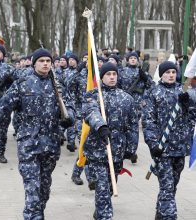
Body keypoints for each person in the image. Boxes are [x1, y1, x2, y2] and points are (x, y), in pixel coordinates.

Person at [0, 48, 75, 220]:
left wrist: (69, 118)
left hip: (51, 145)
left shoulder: (58, 85)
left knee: (43, 191)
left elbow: (69, 106)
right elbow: (2, 108)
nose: (45, 64)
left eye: (48, 61)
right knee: (32, 192)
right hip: (29, 146)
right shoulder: (22, 83)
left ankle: (37, 213)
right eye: (41, 61)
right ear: (34, 63)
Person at [82, 62, 139, 219]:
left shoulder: (127, 98)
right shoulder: (93, 95)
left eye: (114, 74)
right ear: (102, 77)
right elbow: (90, 112)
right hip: (98, 149)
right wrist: (101, 126)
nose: (112, 77)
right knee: (102, 186)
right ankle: (104, 215)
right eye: (108, 74)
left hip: (117, 151)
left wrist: (131, 148)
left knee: (108, 185)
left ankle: (101, 208)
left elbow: (133, 125)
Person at [142, 61, 195, 220]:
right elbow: (148, 121)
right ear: (161, 74)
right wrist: (153, 144)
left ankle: (161, 214)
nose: (171, 75)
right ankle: (169, 216)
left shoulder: (184, 91)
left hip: (180, 147)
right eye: (167, 72)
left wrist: (188, 105)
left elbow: (192, 117)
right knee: (166, 187)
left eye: (173, 72)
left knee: (172, 187)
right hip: (162, 149)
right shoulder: (153, 93)